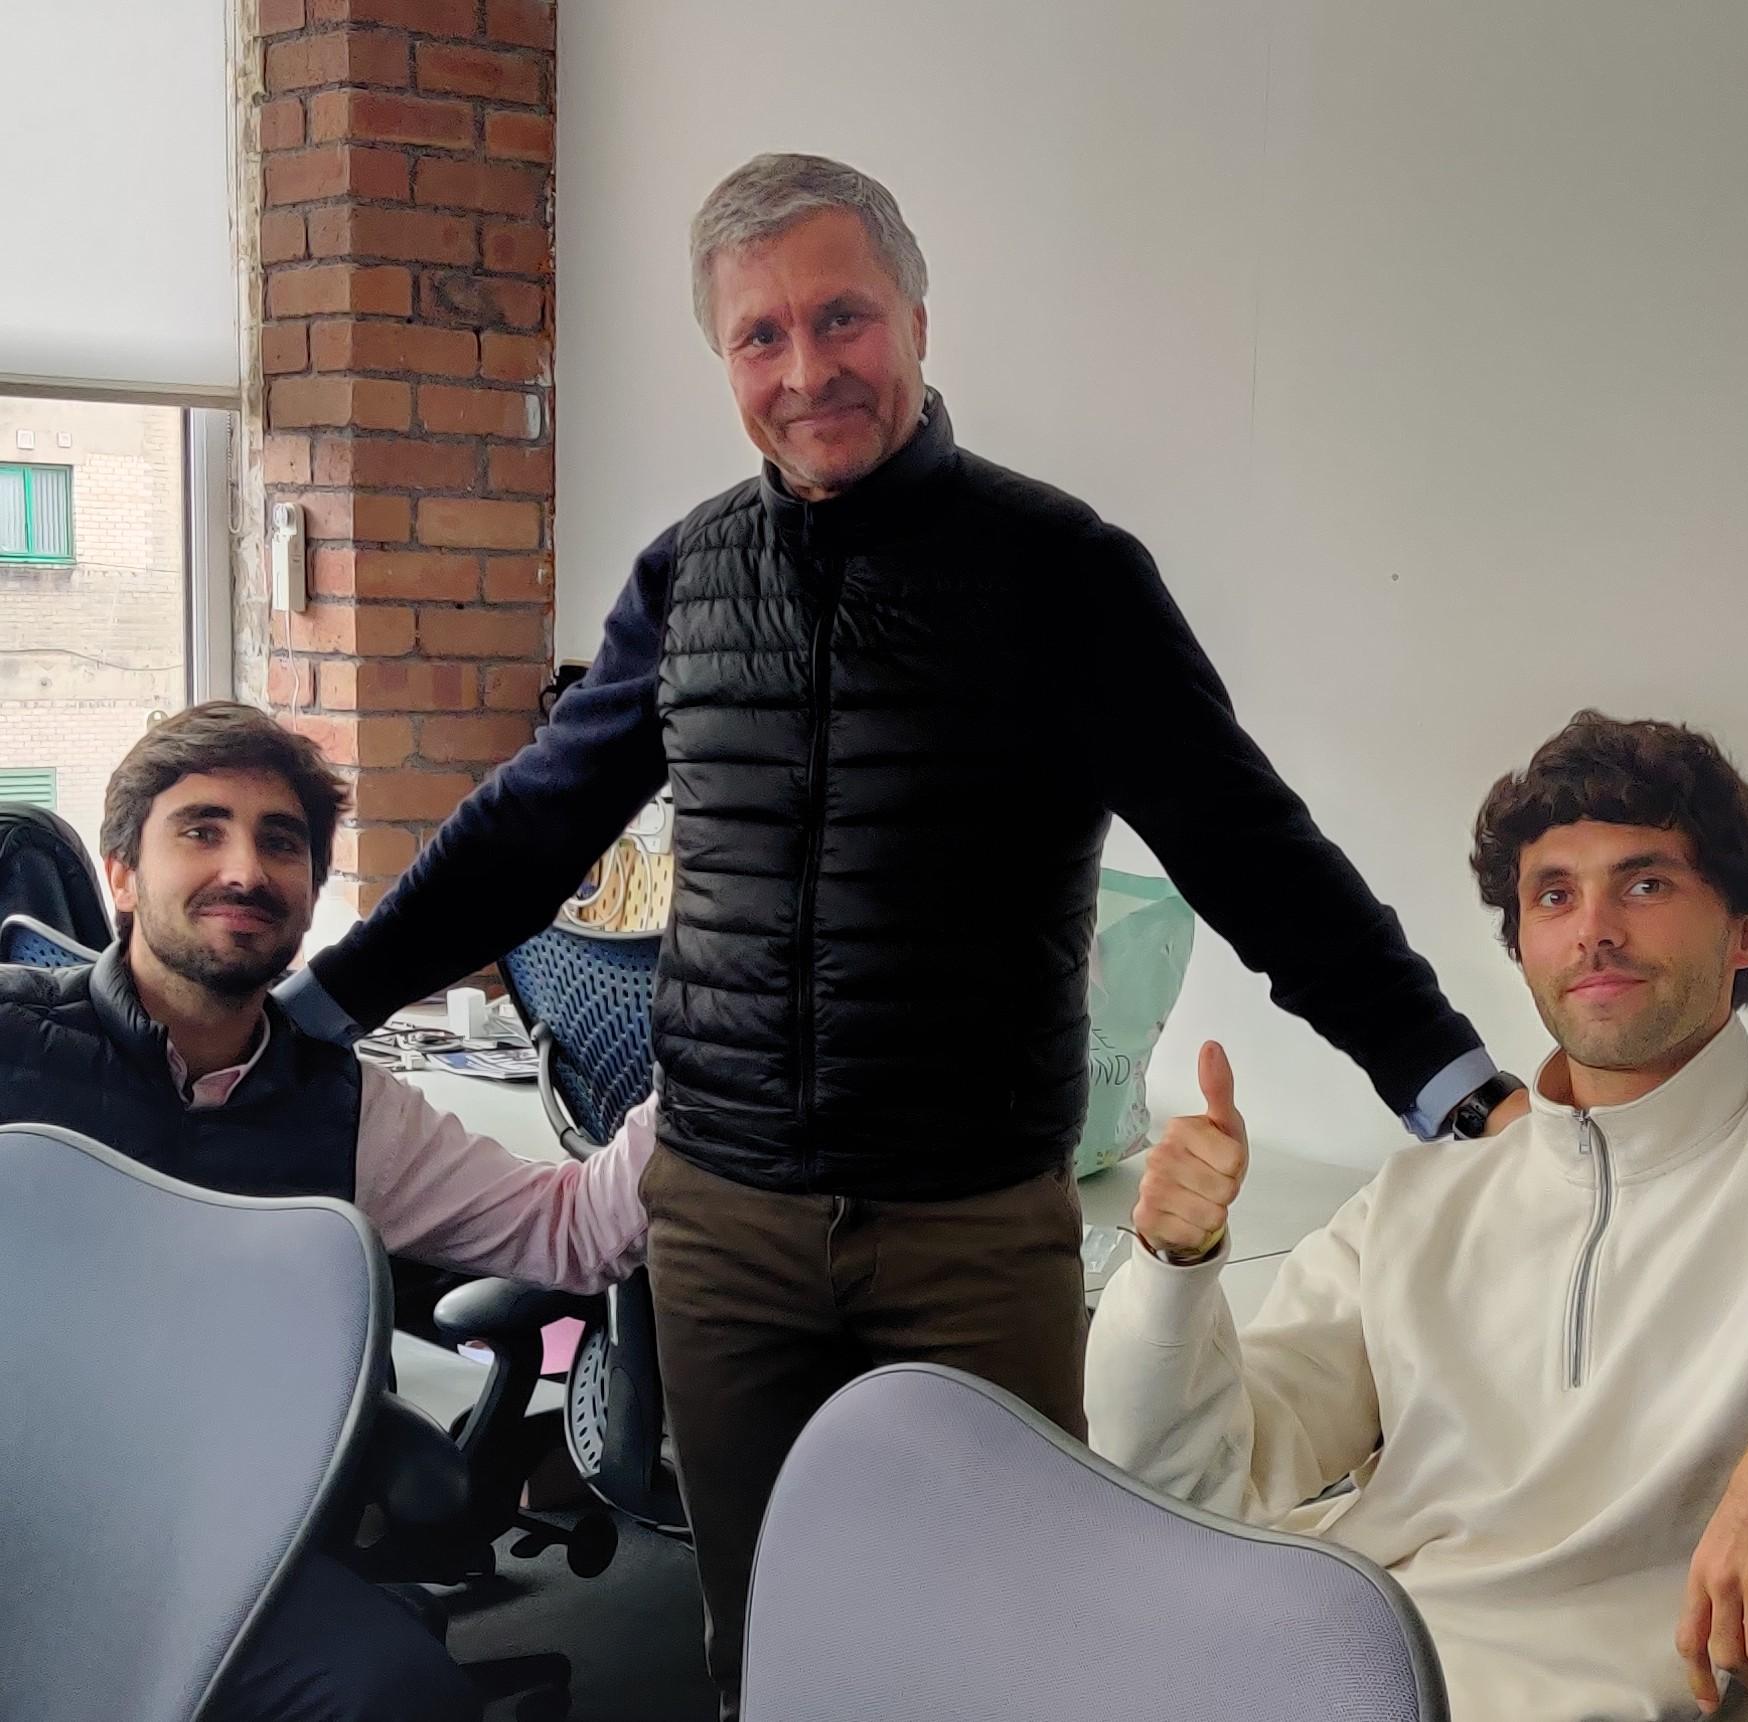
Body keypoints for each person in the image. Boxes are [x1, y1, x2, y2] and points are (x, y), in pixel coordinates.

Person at [276, 152, 1521, 1715]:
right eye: (761, 336)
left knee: (994, 1632)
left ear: (918, 319)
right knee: (762, 1622)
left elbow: (1247, 844)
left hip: (966, 1227)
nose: (808, 370)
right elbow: (535, 824)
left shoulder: (1064, 573)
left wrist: (1439, 1069)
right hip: (722, 1220)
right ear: (724, 357)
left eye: (843, 315)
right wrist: (324, 1003)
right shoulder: (688, 577)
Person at [1087, 710, 1748, 1721]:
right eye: (1553, 895)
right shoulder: (1419, 1202)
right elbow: (1195, 1488)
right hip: (1305, 1669)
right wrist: (1175, 1266)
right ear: (1520, 944)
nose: (1594, 927)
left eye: (1646, 883)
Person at [0, 702, 656, 1722]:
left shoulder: (344, 1109)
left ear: (310, 894)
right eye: (201, 829)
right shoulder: (14, 1043)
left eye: (281, 842)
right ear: (122, 873)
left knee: (402, 1695)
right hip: (23, 1524)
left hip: (229, 1563)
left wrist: (711, 1050)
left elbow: (577, 1233)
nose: (246, 871)